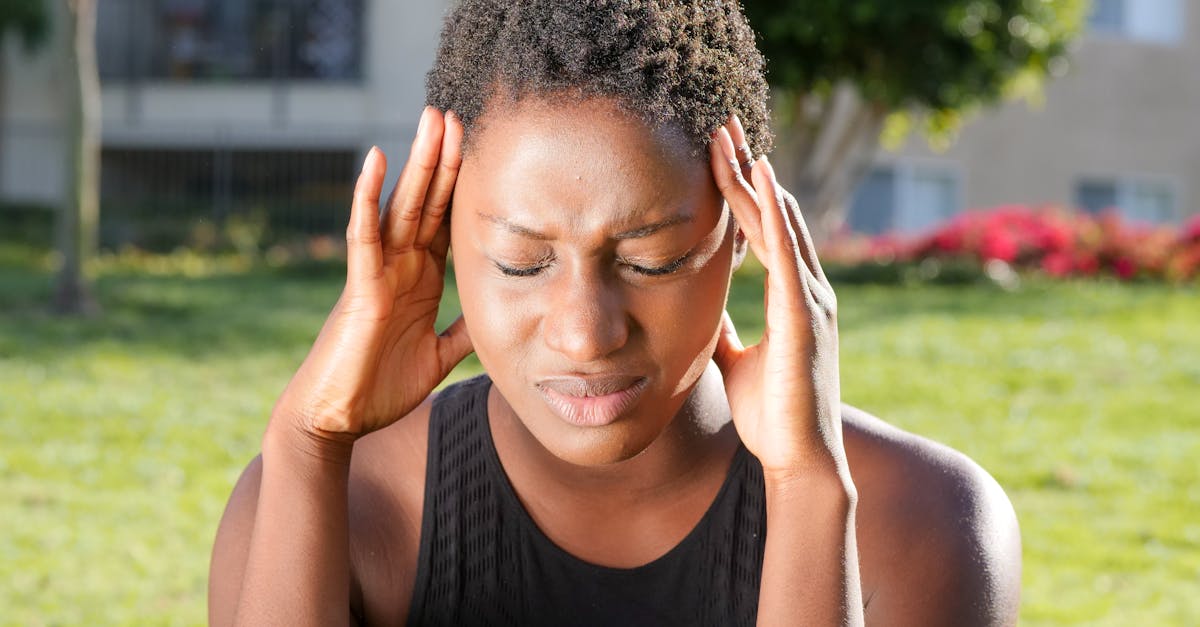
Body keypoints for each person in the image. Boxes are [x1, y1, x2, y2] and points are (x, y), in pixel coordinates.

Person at [209, 1, 1021, 625]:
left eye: (650, 261)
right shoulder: (325, 501)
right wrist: (307, 443)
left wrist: (808, 490)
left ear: (745, 232)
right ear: (442, 239)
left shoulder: (922, 520)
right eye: (523, 262)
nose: (587, 332)